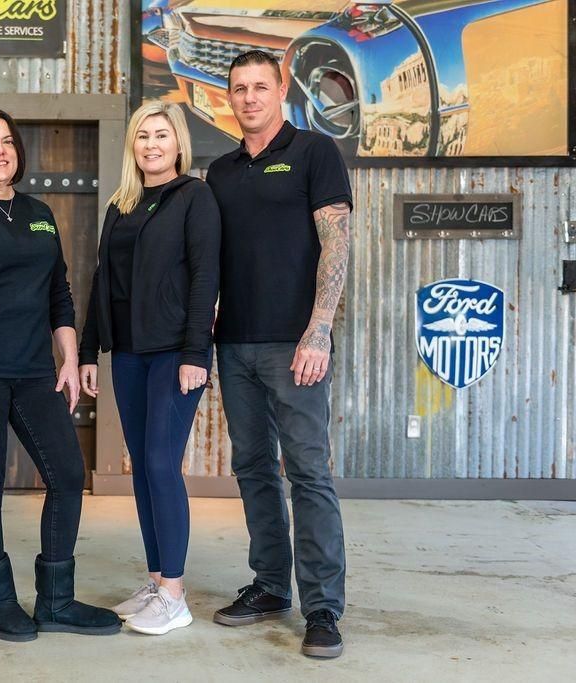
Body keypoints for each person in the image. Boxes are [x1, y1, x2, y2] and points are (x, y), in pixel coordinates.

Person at [0, 106, 122, 643]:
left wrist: (67, 359)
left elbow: (58, 295)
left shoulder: (40, 212)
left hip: (34, 370)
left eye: (6, 142)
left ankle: (56, 601)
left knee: (66, 475)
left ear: (18, 151)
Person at [206, 50, 352, 659]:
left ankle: (321, 607)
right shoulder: (220, 171)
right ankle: (270, 585)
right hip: (234, 345)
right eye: (238, 89)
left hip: (296, 346)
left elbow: (336, 244)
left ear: (280, 88)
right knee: (253, 470)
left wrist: (318, 330)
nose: (248, 98)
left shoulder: (315, 153)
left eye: (259, 87)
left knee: (309, 474)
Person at [78, 101, 221, 635]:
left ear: (178, 143)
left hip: (173, 355)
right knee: (143, 464)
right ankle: (158, 577)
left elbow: (206, 277)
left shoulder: (195, 197)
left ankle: (176, 595)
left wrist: (194, 353)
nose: (151, 144)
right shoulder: (121, 205)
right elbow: (101, 282)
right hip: (130, 354)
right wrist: (91, 350)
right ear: (133, 146)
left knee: (161, 462)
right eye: (142, 136)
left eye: (161, 135)